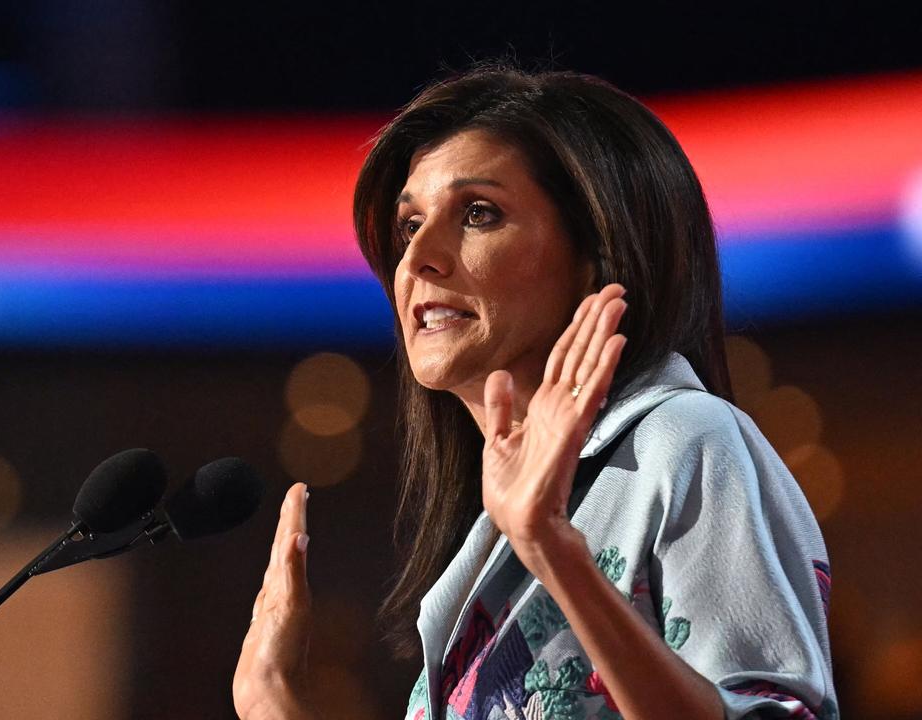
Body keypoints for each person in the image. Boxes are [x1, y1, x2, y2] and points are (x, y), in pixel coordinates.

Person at [232, 65, 836, 720]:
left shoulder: (685, 442)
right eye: (410, 225)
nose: (418, 259)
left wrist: (555, 553)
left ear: (598, 254)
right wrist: (274, 707)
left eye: (479, 214)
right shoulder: (489, 538)